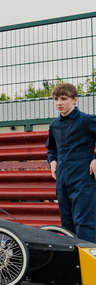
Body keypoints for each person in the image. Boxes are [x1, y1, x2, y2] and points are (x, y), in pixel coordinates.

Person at [46, 82, 96, 243]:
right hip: (62, 180)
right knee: (67, 225)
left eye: (63, 98)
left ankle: (90, 265)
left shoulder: (87, 120)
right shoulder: (54, 126)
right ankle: (73, 265)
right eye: (56, 99)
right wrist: (52, 161)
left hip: (83, 178)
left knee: (85, 223)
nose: (59, 103)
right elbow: (51, 148)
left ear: (74, 100)